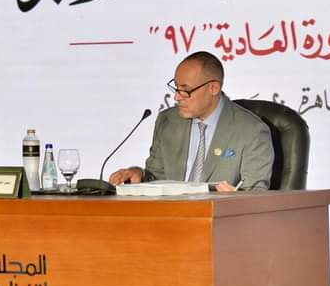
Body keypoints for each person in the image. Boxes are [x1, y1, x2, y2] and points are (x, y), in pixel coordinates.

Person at [108, 51, 273, 191]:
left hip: (218, 218)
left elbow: (256, 196)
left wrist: (234, 201)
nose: (177, 97)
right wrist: (139, 174)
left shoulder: (252, 130)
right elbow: (157, 180)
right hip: (170, 215)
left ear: (213, 88)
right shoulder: (168, 121)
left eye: (186, 90)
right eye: (176, 88)